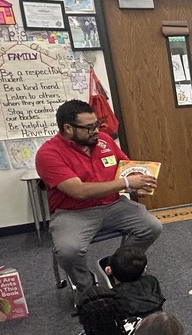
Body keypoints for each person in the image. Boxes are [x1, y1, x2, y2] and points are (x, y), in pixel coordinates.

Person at [35, 99, 162, 289]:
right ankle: (86, 284)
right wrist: (126, 182)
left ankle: (116, 267)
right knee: (69, 251)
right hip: (73, 212)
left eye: (96, 125)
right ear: (68, 128)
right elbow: (78, 191)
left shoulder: (105, 140)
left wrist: (139, 185)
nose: (95, 130)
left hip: (113, 205)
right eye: (88, 127)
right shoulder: (48, 154)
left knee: (151, 227)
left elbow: (127, 168)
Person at [104, 245, 165, 319]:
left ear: (108, 271)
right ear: (144, 271)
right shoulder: (152, 282)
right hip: (157, 323)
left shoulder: (111, 297)